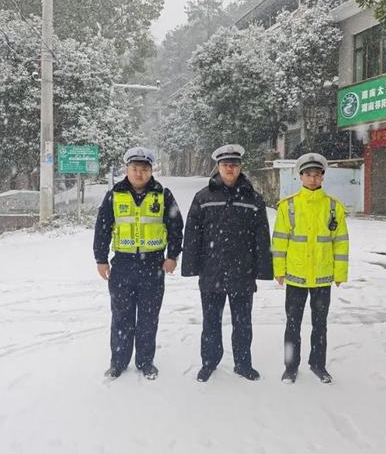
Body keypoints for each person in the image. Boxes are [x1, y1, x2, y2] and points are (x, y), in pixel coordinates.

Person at [181, 144, 273, 382]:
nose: (229, 169)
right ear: (218, 167)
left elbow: (262, 236)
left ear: (240, 167)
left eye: (234, 164)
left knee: (243, 323)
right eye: (225, 165)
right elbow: (192, 233)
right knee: (211, 322)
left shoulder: (253, 198)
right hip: (211, 270)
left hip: (243, 271)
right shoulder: (203, 197)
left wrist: (263, 269)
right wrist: (191, 266)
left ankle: (243, 363)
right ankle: (209, 362)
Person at [93, 147, 183, 380]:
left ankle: (145, 362)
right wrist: (101, 259)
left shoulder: (163, 195)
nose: (139, 173)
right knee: (121, 317)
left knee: (148, 318)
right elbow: (102, 228)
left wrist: (172, 256)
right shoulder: (114, 195)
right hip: (122, 265)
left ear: (151, 170)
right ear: (127, 170)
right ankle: (118, 362)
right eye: (135, 169)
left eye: (144, 169)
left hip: (153, 265)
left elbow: (175, 227)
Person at [272, 153, 349, 384]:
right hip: (296, 276)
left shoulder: (334, 207)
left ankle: (318, 364)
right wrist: (279, 269)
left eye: (317, 174)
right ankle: (290, 366)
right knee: (292, 325)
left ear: (323, 177)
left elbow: (341, 242)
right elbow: (279, 241)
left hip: (323, 277)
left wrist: (340, 273)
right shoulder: (289, 206)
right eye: (308, 174)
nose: (313, 178)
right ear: (301, 177)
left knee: (320, 325)